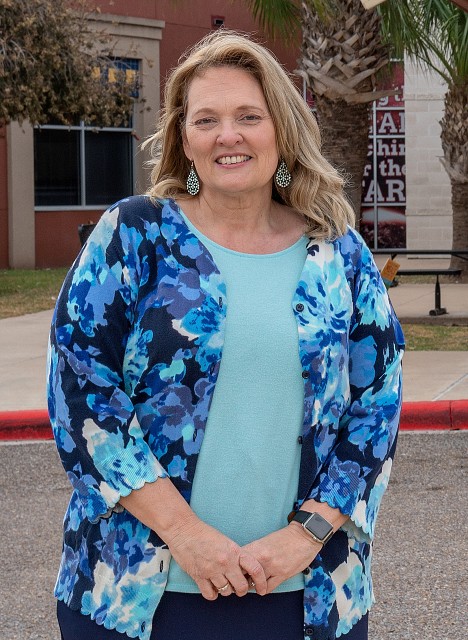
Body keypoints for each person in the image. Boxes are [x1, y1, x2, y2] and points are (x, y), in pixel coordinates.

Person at [48, 30, 404, 640]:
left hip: (306, 594)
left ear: (281, 131)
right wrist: (191, 539)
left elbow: (377, 407)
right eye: (205, 119)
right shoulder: (133, 236)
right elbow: (82, 399)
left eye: (248, 116)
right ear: (185, 140)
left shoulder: (337, 251)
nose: (227, 135)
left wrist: (306, 536)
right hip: (136, 594)